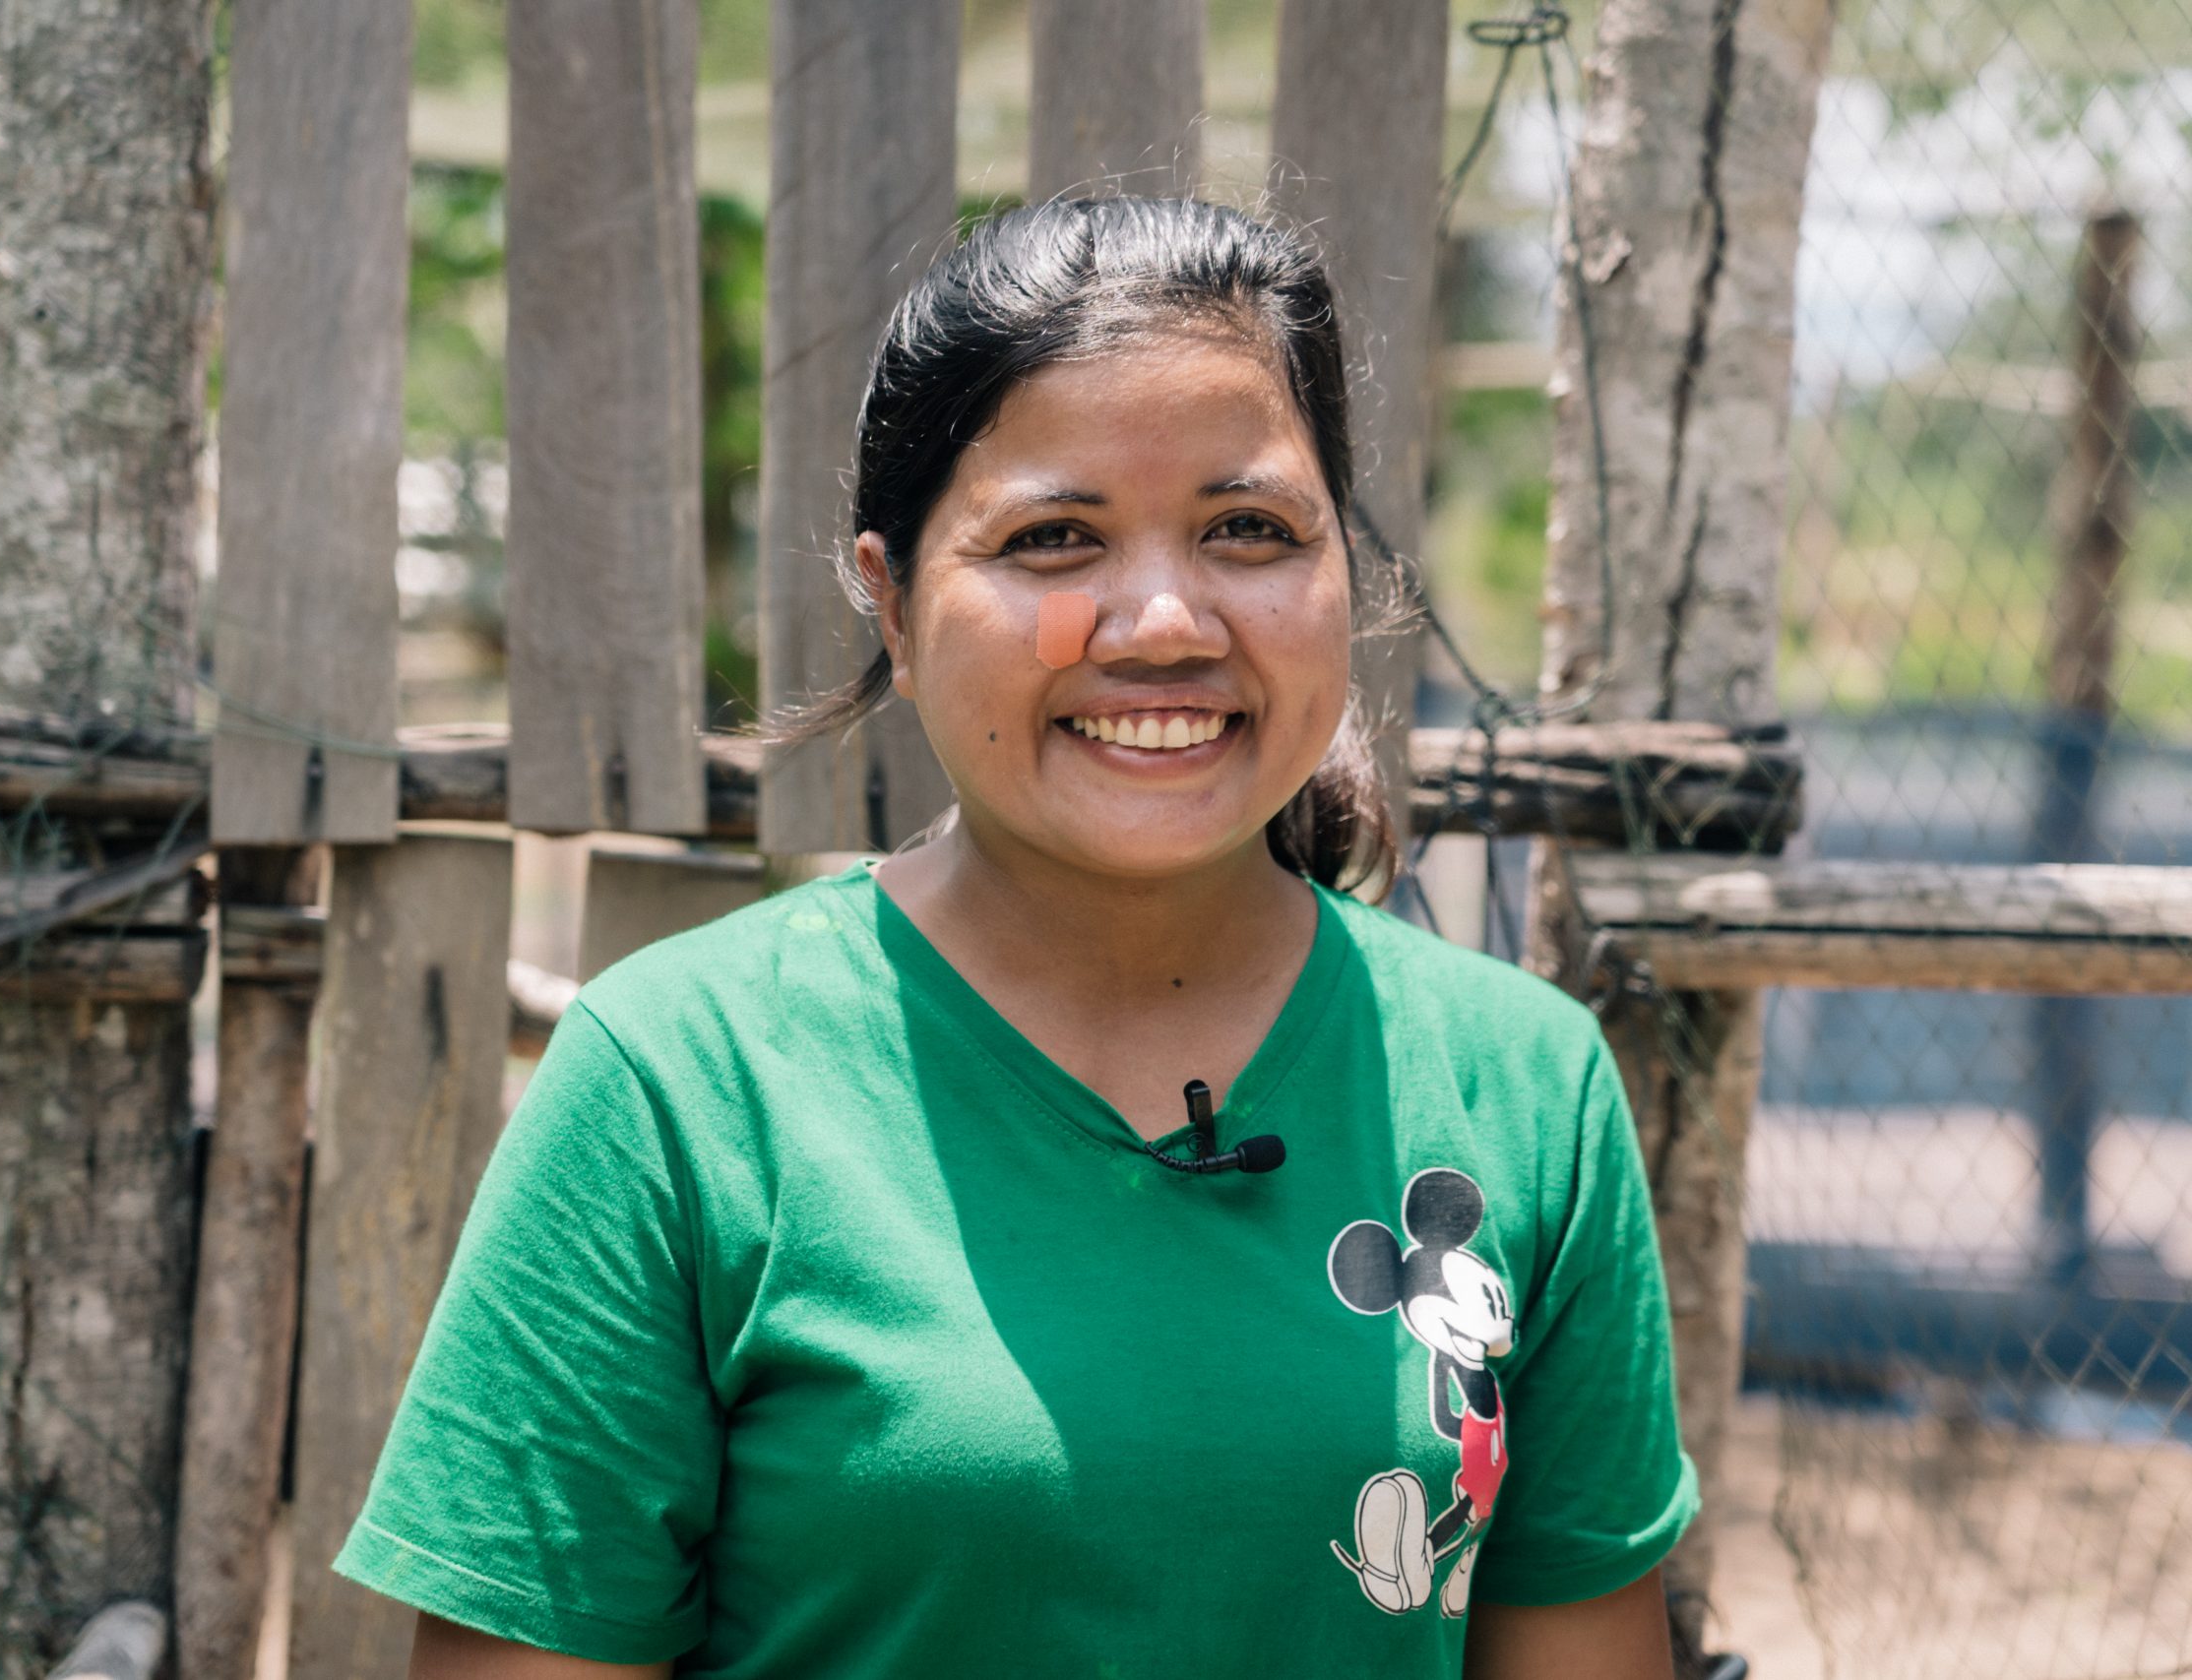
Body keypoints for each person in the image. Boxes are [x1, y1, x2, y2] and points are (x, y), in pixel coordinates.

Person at [335, 197, 1696, 1680]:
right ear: (896, 607)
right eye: (1054, 538)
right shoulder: (677, 1088)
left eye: (1250, 529)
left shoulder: (1525, 1086)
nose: (1166, 620)